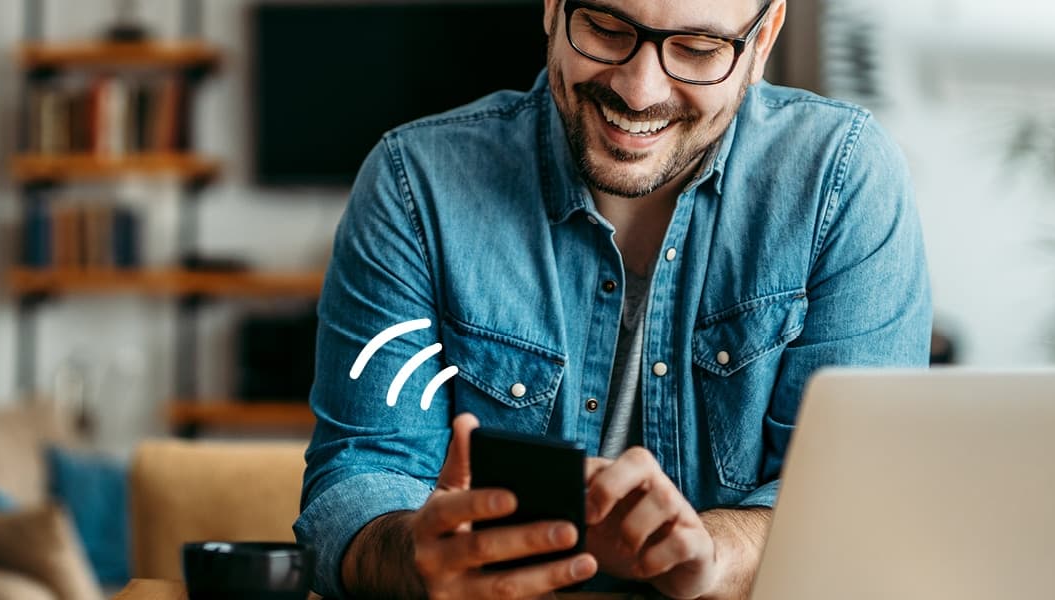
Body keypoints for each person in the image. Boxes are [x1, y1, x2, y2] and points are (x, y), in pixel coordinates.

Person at [296, 0, 932, 597]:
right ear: (553, 6)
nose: (640, 90)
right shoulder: (416, 185)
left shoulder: (841, 181)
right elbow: (356, 481)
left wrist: (711, 554)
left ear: (761, 40)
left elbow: (859, 503)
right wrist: (413, 556)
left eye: (699, 48)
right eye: (605, 27)